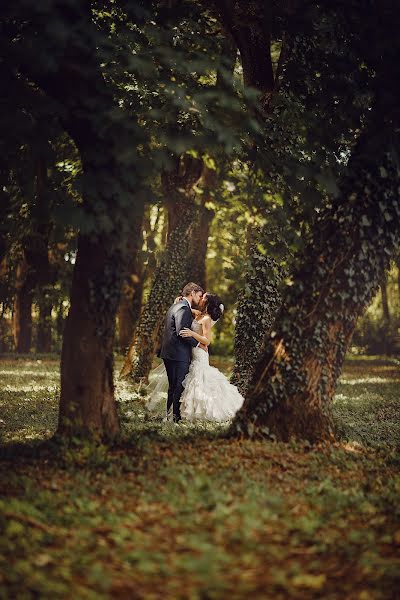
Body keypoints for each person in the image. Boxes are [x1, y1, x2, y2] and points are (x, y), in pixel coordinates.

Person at [147, 291, 244, 422]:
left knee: (200, 378)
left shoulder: (207, 319)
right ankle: (179, 412)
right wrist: (179, 302)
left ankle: (205, 411)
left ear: (207, 301)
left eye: (203, 297)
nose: (201, 298)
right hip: (191, 351)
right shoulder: (199, 314)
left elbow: (207, 340)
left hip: (200, 353)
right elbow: (185, 309)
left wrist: (192, 333)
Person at [158, 282, 204, 422]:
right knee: (179, 385)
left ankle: (170, 416)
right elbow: (182, 332)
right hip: (178, 353)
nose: (200, 299)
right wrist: (198, 344)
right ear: (192, 293)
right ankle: (175, 418)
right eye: (199, 295)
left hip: (169, 351)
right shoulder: (183, 308)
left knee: (173, 386)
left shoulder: (176, 306)